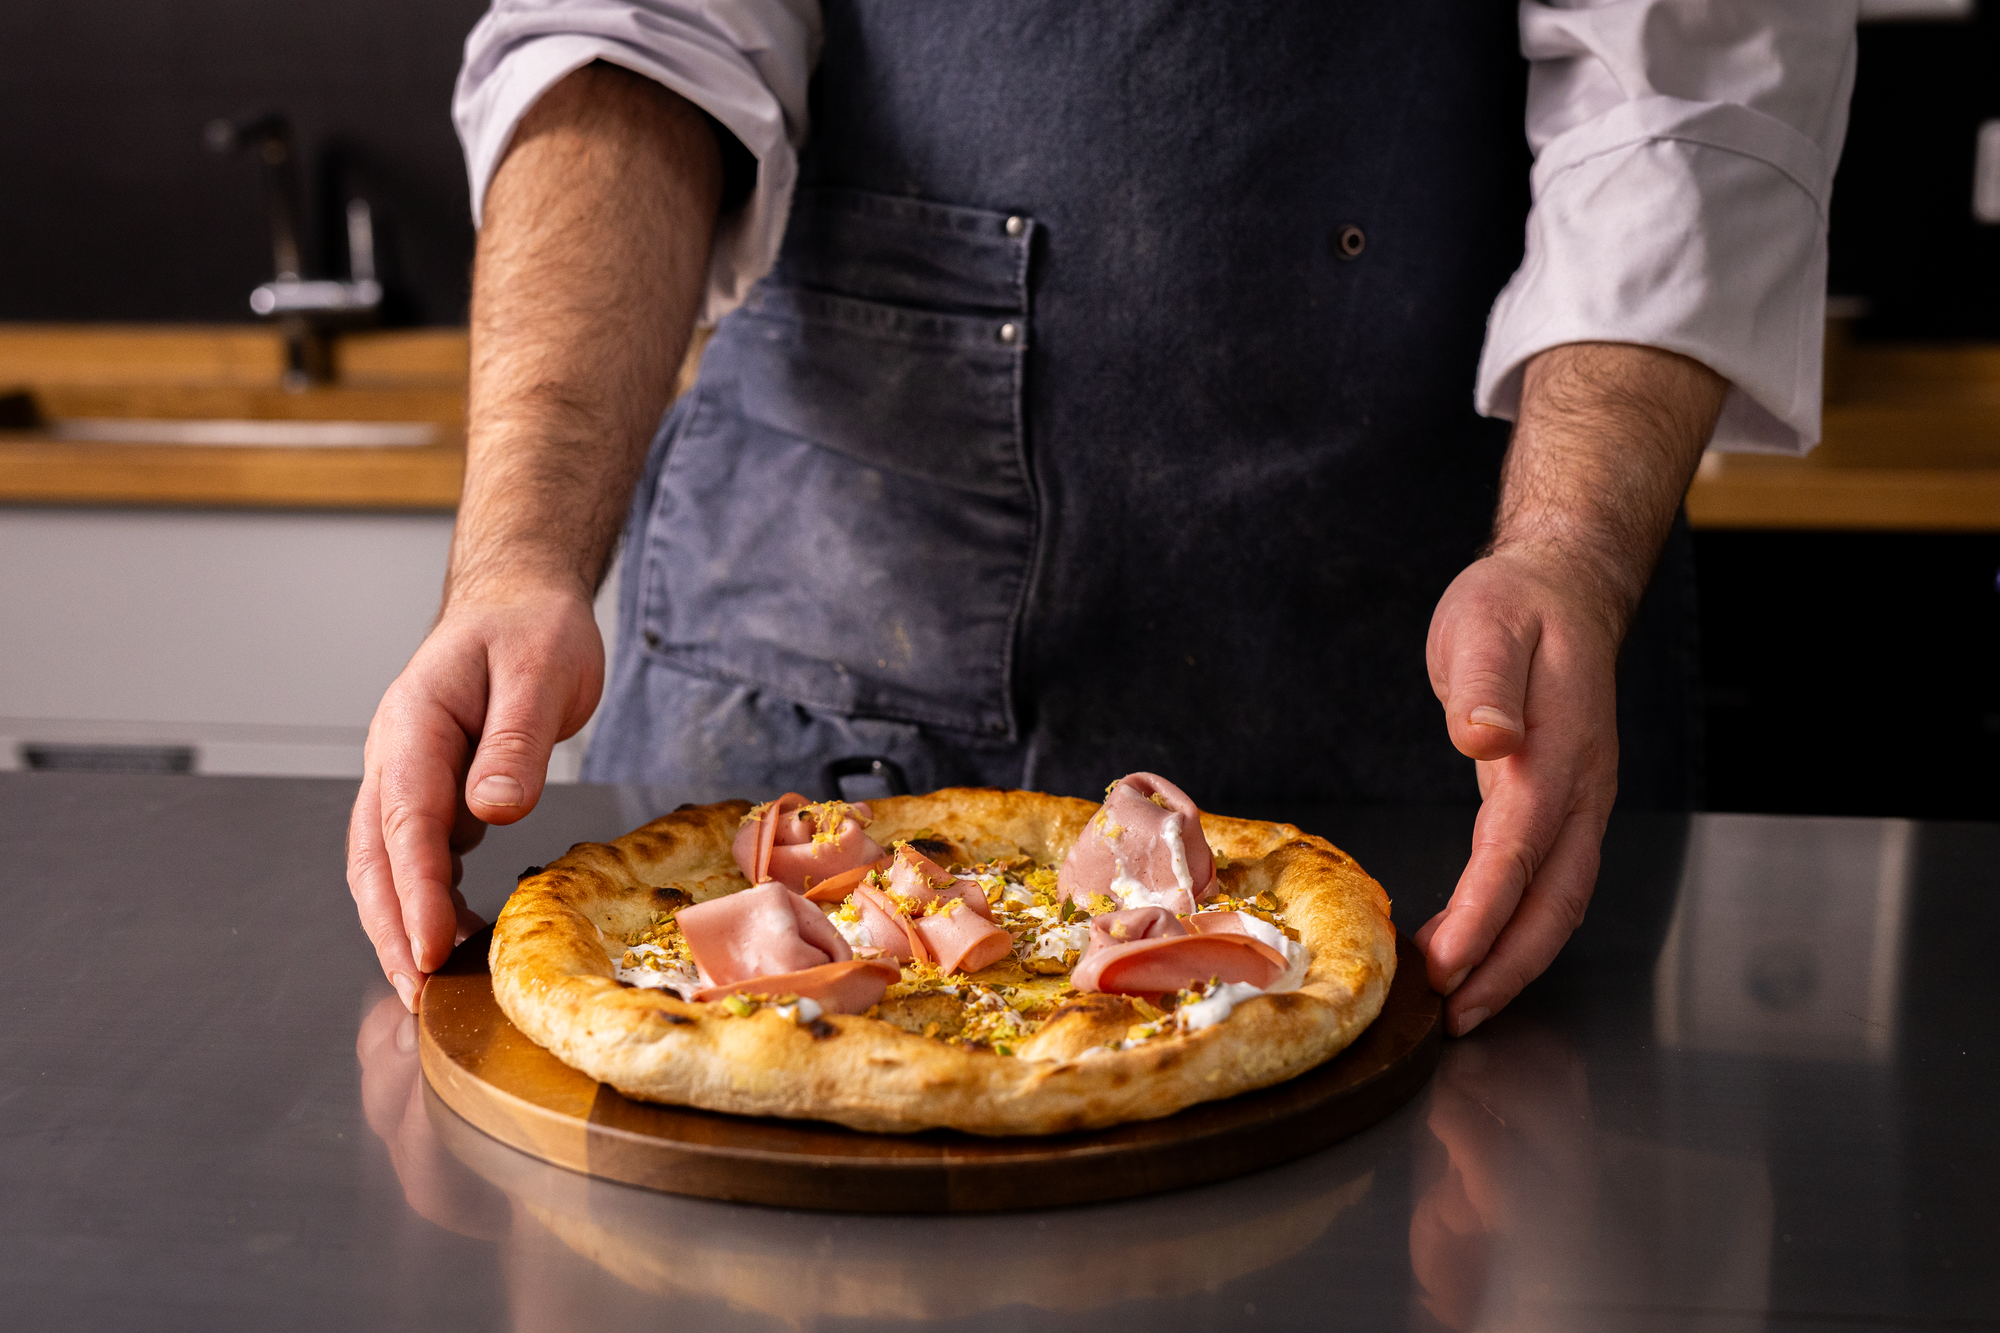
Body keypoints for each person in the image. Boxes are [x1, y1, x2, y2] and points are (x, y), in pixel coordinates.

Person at [347, 2, 1857, 1036]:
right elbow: (630, 37)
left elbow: (1687, 83)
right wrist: (523, 556)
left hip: (1434, 652)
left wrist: (1564, 556)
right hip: (811, 655)